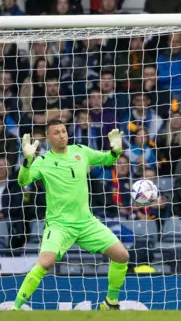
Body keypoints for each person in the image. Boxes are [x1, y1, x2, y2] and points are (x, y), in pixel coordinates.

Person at [11, 120, 128, 311]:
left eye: (64, 131)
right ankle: (15, 308)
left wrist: (115, 150)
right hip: (59, 225)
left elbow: (108, 159)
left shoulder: (81, 151)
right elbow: (23, 180)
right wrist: (27, 160)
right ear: (48, 138)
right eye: (56, 133)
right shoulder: (42, 161)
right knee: (45, 263)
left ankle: (110, 303)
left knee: (122, 256)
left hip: (86, 222)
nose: (62, 135)